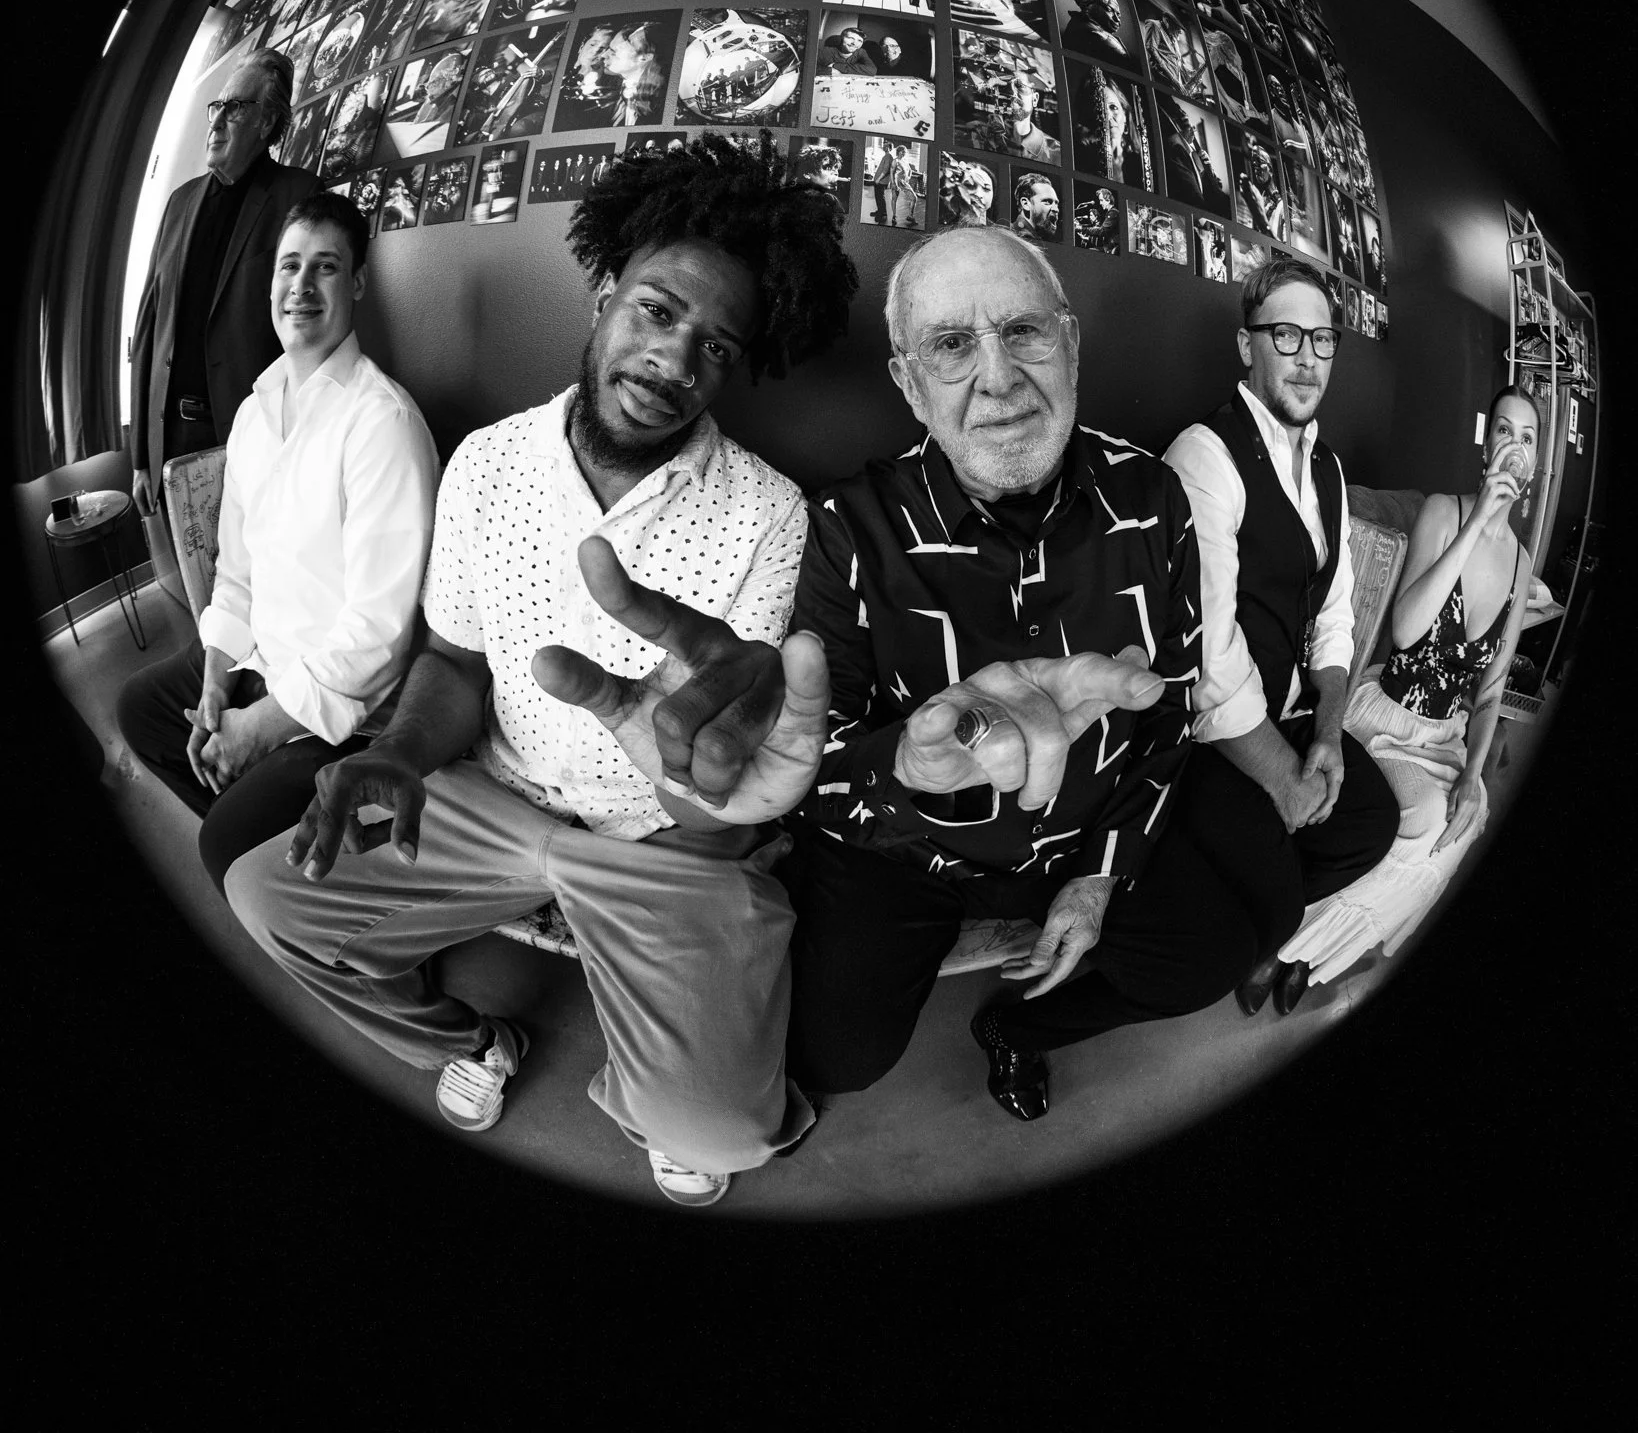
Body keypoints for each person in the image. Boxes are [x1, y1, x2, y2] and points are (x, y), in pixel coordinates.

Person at [222, 138, 858, 1206]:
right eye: (658, 312)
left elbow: (721, 793)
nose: (673, 362)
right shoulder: (487, 462)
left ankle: (660, 1085)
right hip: (489, 793)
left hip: (660, 841)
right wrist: (401, 752)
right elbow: (457, 658)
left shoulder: (769, 513)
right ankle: (478, 1035)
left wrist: (690, 780)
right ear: (605, 290)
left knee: (721, 1134)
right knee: (269, 898)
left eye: (715, 346)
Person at [778, 227, 1257, 1121]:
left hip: (1091, 822)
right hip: (910, 847)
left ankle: (1018, 1034)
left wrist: (1102, 871)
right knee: (833, 1057)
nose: (997, 377)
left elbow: (1171, 710)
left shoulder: (1152, 499)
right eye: (952, 345)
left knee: (1208, 956)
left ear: (1070, 346)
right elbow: (819, 768)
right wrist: (913, 777)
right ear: (907, 382)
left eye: (1025, 332)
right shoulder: (849, 525)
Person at [116, 193, 438, 894]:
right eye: (290, 266)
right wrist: (213, 690)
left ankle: (288, 865)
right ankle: (275, 840)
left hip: (340, 714)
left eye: (325, 268)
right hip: (260, 661)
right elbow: (236, 573)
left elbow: (379, 635)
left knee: (219, 847)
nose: (301, 286)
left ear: (354, 285)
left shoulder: (381, 423)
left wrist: (257, 729)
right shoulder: (253, 415)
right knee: (141, 711)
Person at [1163, 259, 1398, 1016]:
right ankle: (1254, 928)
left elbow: (1333, 617)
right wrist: (1282, 775)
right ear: (1246, 345)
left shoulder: (1326, 467)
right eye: (1286, 334)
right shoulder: (1204, 455)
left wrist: (1327, 736)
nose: (1307, 357)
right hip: (1211, 741)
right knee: (1267, 897)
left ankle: (1262, 919)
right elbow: (1208, 652)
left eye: (1322, 340)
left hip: (1294, 712)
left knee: (1373, 821)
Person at [1273, 388, 1550, 1006]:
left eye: (1527, 438)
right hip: (1389, 714)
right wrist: (1480, 520)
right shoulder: (1442, 514)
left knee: (1462, 818)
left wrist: (1475, 773)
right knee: (1421, 815)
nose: (1514, 446)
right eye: (1504, 431)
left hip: (1446, 735)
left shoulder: (1522, 564)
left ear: (1535, 463)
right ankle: (1281, 938)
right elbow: (1405, 630)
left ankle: (1314, 951)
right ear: (1487, 447)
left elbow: (1493, 688)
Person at [129, 48, 318, 524]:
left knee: (255, 572)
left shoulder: (299, 197)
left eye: (236, 108)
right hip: (169, 434)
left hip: (248, 431)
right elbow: (149, 327)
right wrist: (140, 457)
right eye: (218, 106)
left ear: (268, 120)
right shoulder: (178, 203)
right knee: (195, 575)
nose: (216, 122)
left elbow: (310, 336)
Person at [1012, 173, 1059, 240]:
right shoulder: (1012, 236)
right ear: (1025, 204)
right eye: (1047, 202)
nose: (1056, 209)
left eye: (1056, 203)